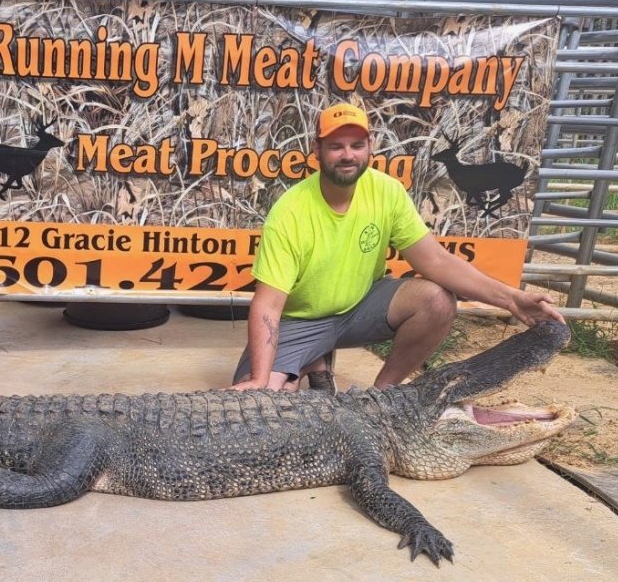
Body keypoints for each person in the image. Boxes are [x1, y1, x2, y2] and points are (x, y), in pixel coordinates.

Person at [228, 102, 564, 392]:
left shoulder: (386, 191)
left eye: (357, 145)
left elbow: (435, 260)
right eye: (336, 146)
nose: (348, 155)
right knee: (268, 396)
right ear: (316, 150)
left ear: (370, 146)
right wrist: (259, 378)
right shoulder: (289, 212)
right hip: (300, 320)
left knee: (436, 298)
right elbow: (268, 306)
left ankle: (385, 395)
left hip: (358, 308)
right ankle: (313, 361)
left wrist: (513, 299)